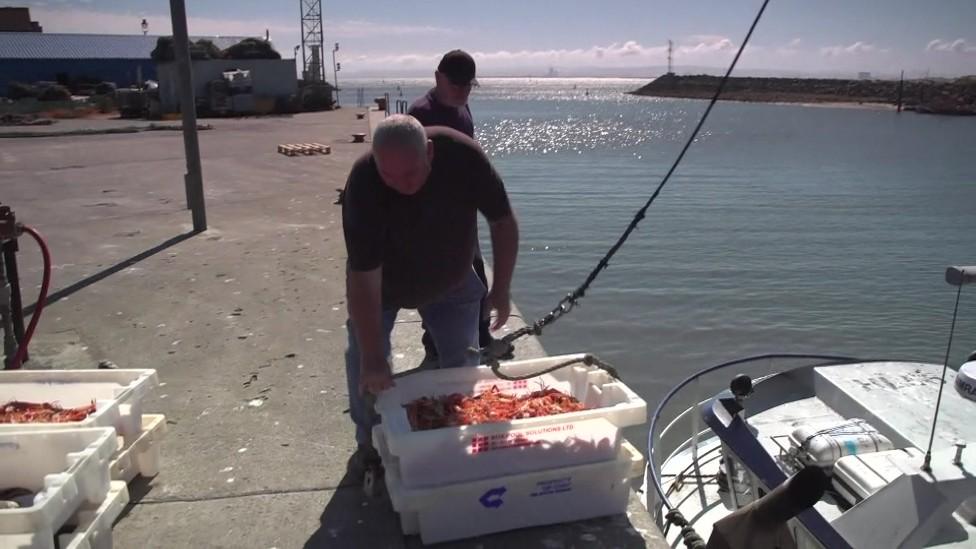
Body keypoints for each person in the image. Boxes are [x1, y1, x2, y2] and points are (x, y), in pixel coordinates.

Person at [342, 114, 519, 467]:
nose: (401, 185)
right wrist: (375, 356)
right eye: (389, 176)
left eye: (411, 174)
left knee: (463, 364)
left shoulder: (464, 158)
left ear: (430, 153)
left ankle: (458, 434)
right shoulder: (363, 183)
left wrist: (500, 289)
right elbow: (363, 276)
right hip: (384, 286)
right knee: (365, 362)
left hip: (451, 277)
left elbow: (503, 221)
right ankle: (371, 444)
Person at [408, 49, 497, 361]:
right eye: (455, 84)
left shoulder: (462, 107)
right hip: (434, 217)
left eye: (468, 85)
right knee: (443, 282)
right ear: (437, 78)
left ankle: (482, 336)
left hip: (464, 210)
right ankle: (436, 343)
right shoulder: (421, 114)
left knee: (477, 279)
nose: (461, 90)